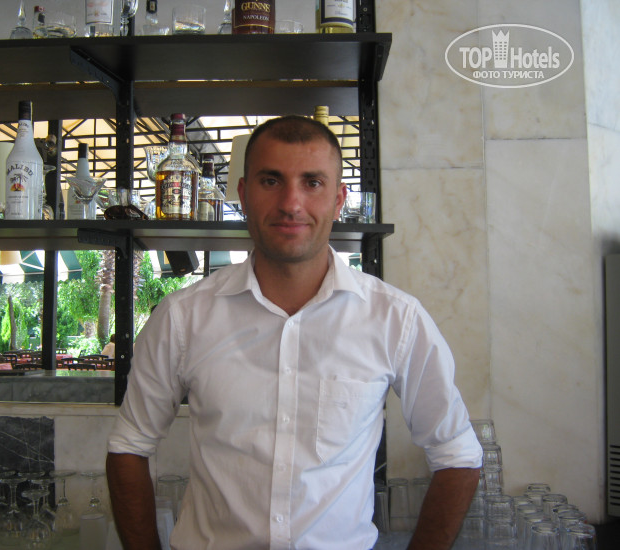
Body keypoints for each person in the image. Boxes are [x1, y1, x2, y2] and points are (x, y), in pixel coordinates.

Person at [106, 116, 482, 550]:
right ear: (244, 194)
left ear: (338, 200)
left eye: (312, 183)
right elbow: (129, 447)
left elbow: (457, 454)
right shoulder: (183, 317)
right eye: (271, 181)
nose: (291, 203)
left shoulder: (395, 319)